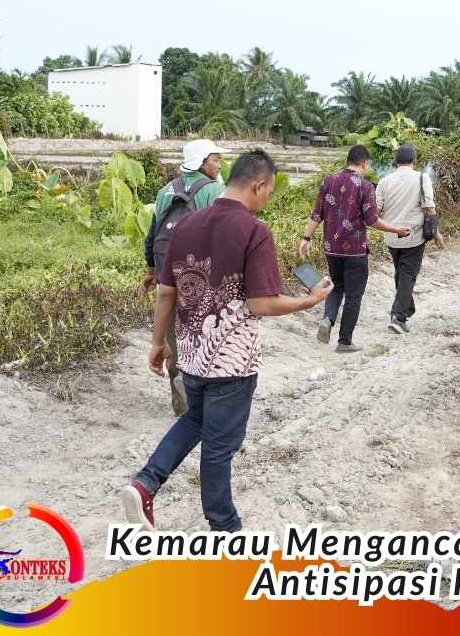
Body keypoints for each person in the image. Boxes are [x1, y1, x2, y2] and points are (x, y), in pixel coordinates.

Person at [121, 149, 333, 532]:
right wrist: (309, 300)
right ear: (259, 185)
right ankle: (225, 530)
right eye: (269, 192)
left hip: (191, 354)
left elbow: (166, 291)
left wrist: (157, 343)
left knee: (195, 418)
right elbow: (261, 303)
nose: (266, 199)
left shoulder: (186, 224)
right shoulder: (254, 231)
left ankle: (145, 483)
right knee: (219, 448)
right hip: (232, 361)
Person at [140, 138, 229, 416]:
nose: (219, 164)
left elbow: (152, 235)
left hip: (167, 272)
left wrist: (151, 270)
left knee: (172, 336)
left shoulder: (165, 191)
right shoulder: (215, 190)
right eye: (215, 159)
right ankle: (202, 400)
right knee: (203, 336)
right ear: (202, 162)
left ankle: (180, 405)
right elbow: (225, 235)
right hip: (200, 275)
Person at [298, 145, 410, 353]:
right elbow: (372, 220)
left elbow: (317, 214)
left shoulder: (328, 181)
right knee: (353, 295)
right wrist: (396, 230)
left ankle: (328, 318)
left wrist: (306, 238)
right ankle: (345, 341)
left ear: (348, 160)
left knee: (336, 285)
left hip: (331, 248)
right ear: (364, 163)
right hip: (355, 250)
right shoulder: (365, 186)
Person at [375, 143, 444, 335]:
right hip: (413, 236)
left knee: (401, 273)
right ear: (414, 160)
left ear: (395, 161)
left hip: (391, 236)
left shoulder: (384, 181)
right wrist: (437, 234)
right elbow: (429, 209)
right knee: (407, 274)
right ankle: (399, 317)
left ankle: (405, 308)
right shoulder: (422, 178)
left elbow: (376, 211)